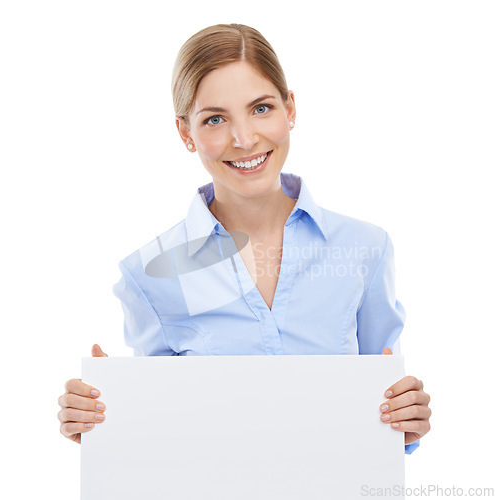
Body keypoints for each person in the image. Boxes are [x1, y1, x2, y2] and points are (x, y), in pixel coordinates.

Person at [57, 23, 431, 453]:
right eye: (215, 119)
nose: (244, 138)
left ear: (290, 109)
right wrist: (102, 421)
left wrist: (407, 420)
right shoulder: (149, 275)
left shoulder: (365, 249)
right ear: (185, 133)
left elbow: (388, 413)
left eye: (261, 108)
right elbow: (159, 437)